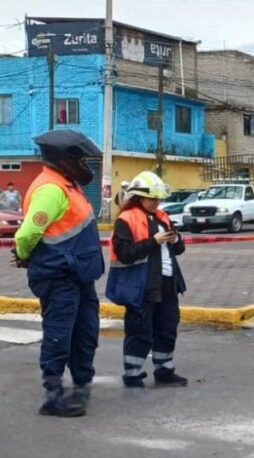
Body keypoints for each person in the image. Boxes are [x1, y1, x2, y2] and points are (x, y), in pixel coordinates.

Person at [10, 130, 104, 417]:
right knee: (59, 335)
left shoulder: (69, 186)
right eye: (80, 159)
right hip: (60, 275)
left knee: (85, 333)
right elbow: (27, 233)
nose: (84, 165)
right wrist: (25, 256)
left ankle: (81, 386)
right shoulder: (51, 189)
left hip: (79, 274)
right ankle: (53, 395)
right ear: (64, 159)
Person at [106, 171, 188, 388]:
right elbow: (124, 252)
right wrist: (154, 241)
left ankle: (164, 370)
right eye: (152, 198)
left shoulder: (163, 217)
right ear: (138, 197)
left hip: (167, 284)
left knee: (167, 327)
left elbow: (178, 249)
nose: (156, 202)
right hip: (141, 286)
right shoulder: (126, 219)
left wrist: (176, 239)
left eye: (158, 198)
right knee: (139, 330)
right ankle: (133, 374)